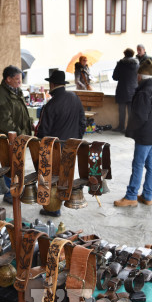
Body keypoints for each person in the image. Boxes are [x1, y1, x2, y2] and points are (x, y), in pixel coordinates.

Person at [35, 69, 87, 217]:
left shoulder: (51, 105)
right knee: (66, 175)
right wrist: (75, 140)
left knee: (51, 179)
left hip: (54, 150)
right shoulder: (75, 98)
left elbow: (43, 132)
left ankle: (53, 208)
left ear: (52, 84)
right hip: (72, 146)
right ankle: (66, 200)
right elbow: (82, 122)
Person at [114, 59, 152, 207]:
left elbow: (140, 117)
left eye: (137, 76)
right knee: (151, 165)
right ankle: (147, 196)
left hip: (145, 135)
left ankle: (131, 196)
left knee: (138, 165)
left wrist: (130, 130)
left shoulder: (144, 92)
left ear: (140, 76)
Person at [0, 65, 33, 203]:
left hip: (19, 136)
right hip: (9, 138)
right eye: (17, 79)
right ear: (8, 79)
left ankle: (16, 189)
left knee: (18, 164)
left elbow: (21, 110)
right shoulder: (1, 96)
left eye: (20, 79)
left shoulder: (16, 90)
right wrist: (21, 133)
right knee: (10, 165)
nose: (19, 82)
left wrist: (29, 125)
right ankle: (9, 194)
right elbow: (5, 121)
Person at [112, 48, 139, 133]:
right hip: (134, 90)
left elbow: (115, 77)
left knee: (122, 110)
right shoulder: (137, 64)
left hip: (122, 89)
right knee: (131, 111)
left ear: (124, 54)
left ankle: (121, 127)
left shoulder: (121, 64)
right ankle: (130, 128)